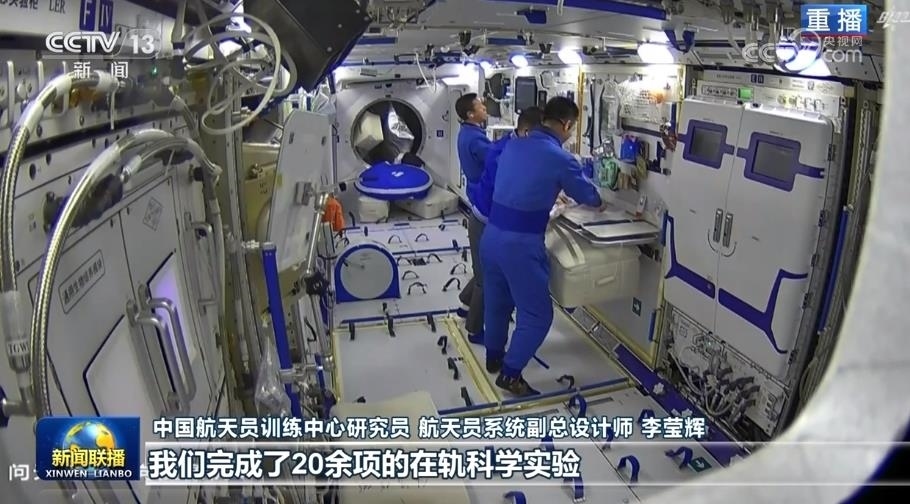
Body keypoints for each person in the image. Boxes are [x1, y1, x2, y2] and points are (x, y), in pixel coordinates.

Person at [481, 97, 607, 396]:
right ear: (567, 125)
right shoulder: (560, 157)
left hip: (491, 236)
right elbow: (588, 195)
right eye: (571, 129)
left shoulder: (514, 145)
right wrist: (599, 201)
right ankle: (510, 375)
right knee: (538, 315)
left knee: (497, 302)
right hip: (520, 246)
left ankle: (494, 357)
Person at [454, 93, 491, 343]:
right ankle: (475, 330)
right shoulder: (476, 140)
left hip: (476, 201)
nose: (485, 107)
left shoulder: (466, 133)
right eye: (480, 106)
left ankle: (465, 305)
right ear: (470, 114)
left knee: (481, 268)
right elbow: (499, 161)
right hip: (483, 209)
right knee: (485, 276)